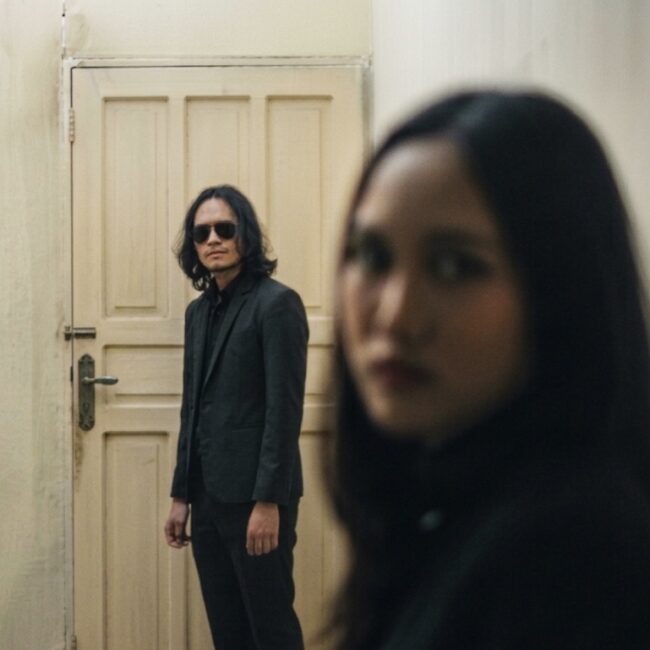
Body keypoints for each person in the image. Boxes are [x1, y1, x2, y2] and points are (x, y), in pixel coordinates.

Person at [325, 90, 650, 649]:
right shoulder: (445, 496)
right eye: (373, 256)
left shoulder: (577, 548)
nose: (396, 316)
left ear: (557, 289)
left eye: (454, 266)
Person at [163, 185, 307, 650]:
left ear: (245, 234)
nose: (213, 240)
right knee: (227, 630)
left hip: (256, 499)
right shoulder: (197, 314)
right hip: (208, 496)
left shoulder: (277, 304)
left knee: (271, 628)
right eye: (201, 232)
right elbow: (192, 408)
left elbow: (283, 412)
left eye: (224, 229)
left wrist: (268, 502)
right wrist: (181, 495)